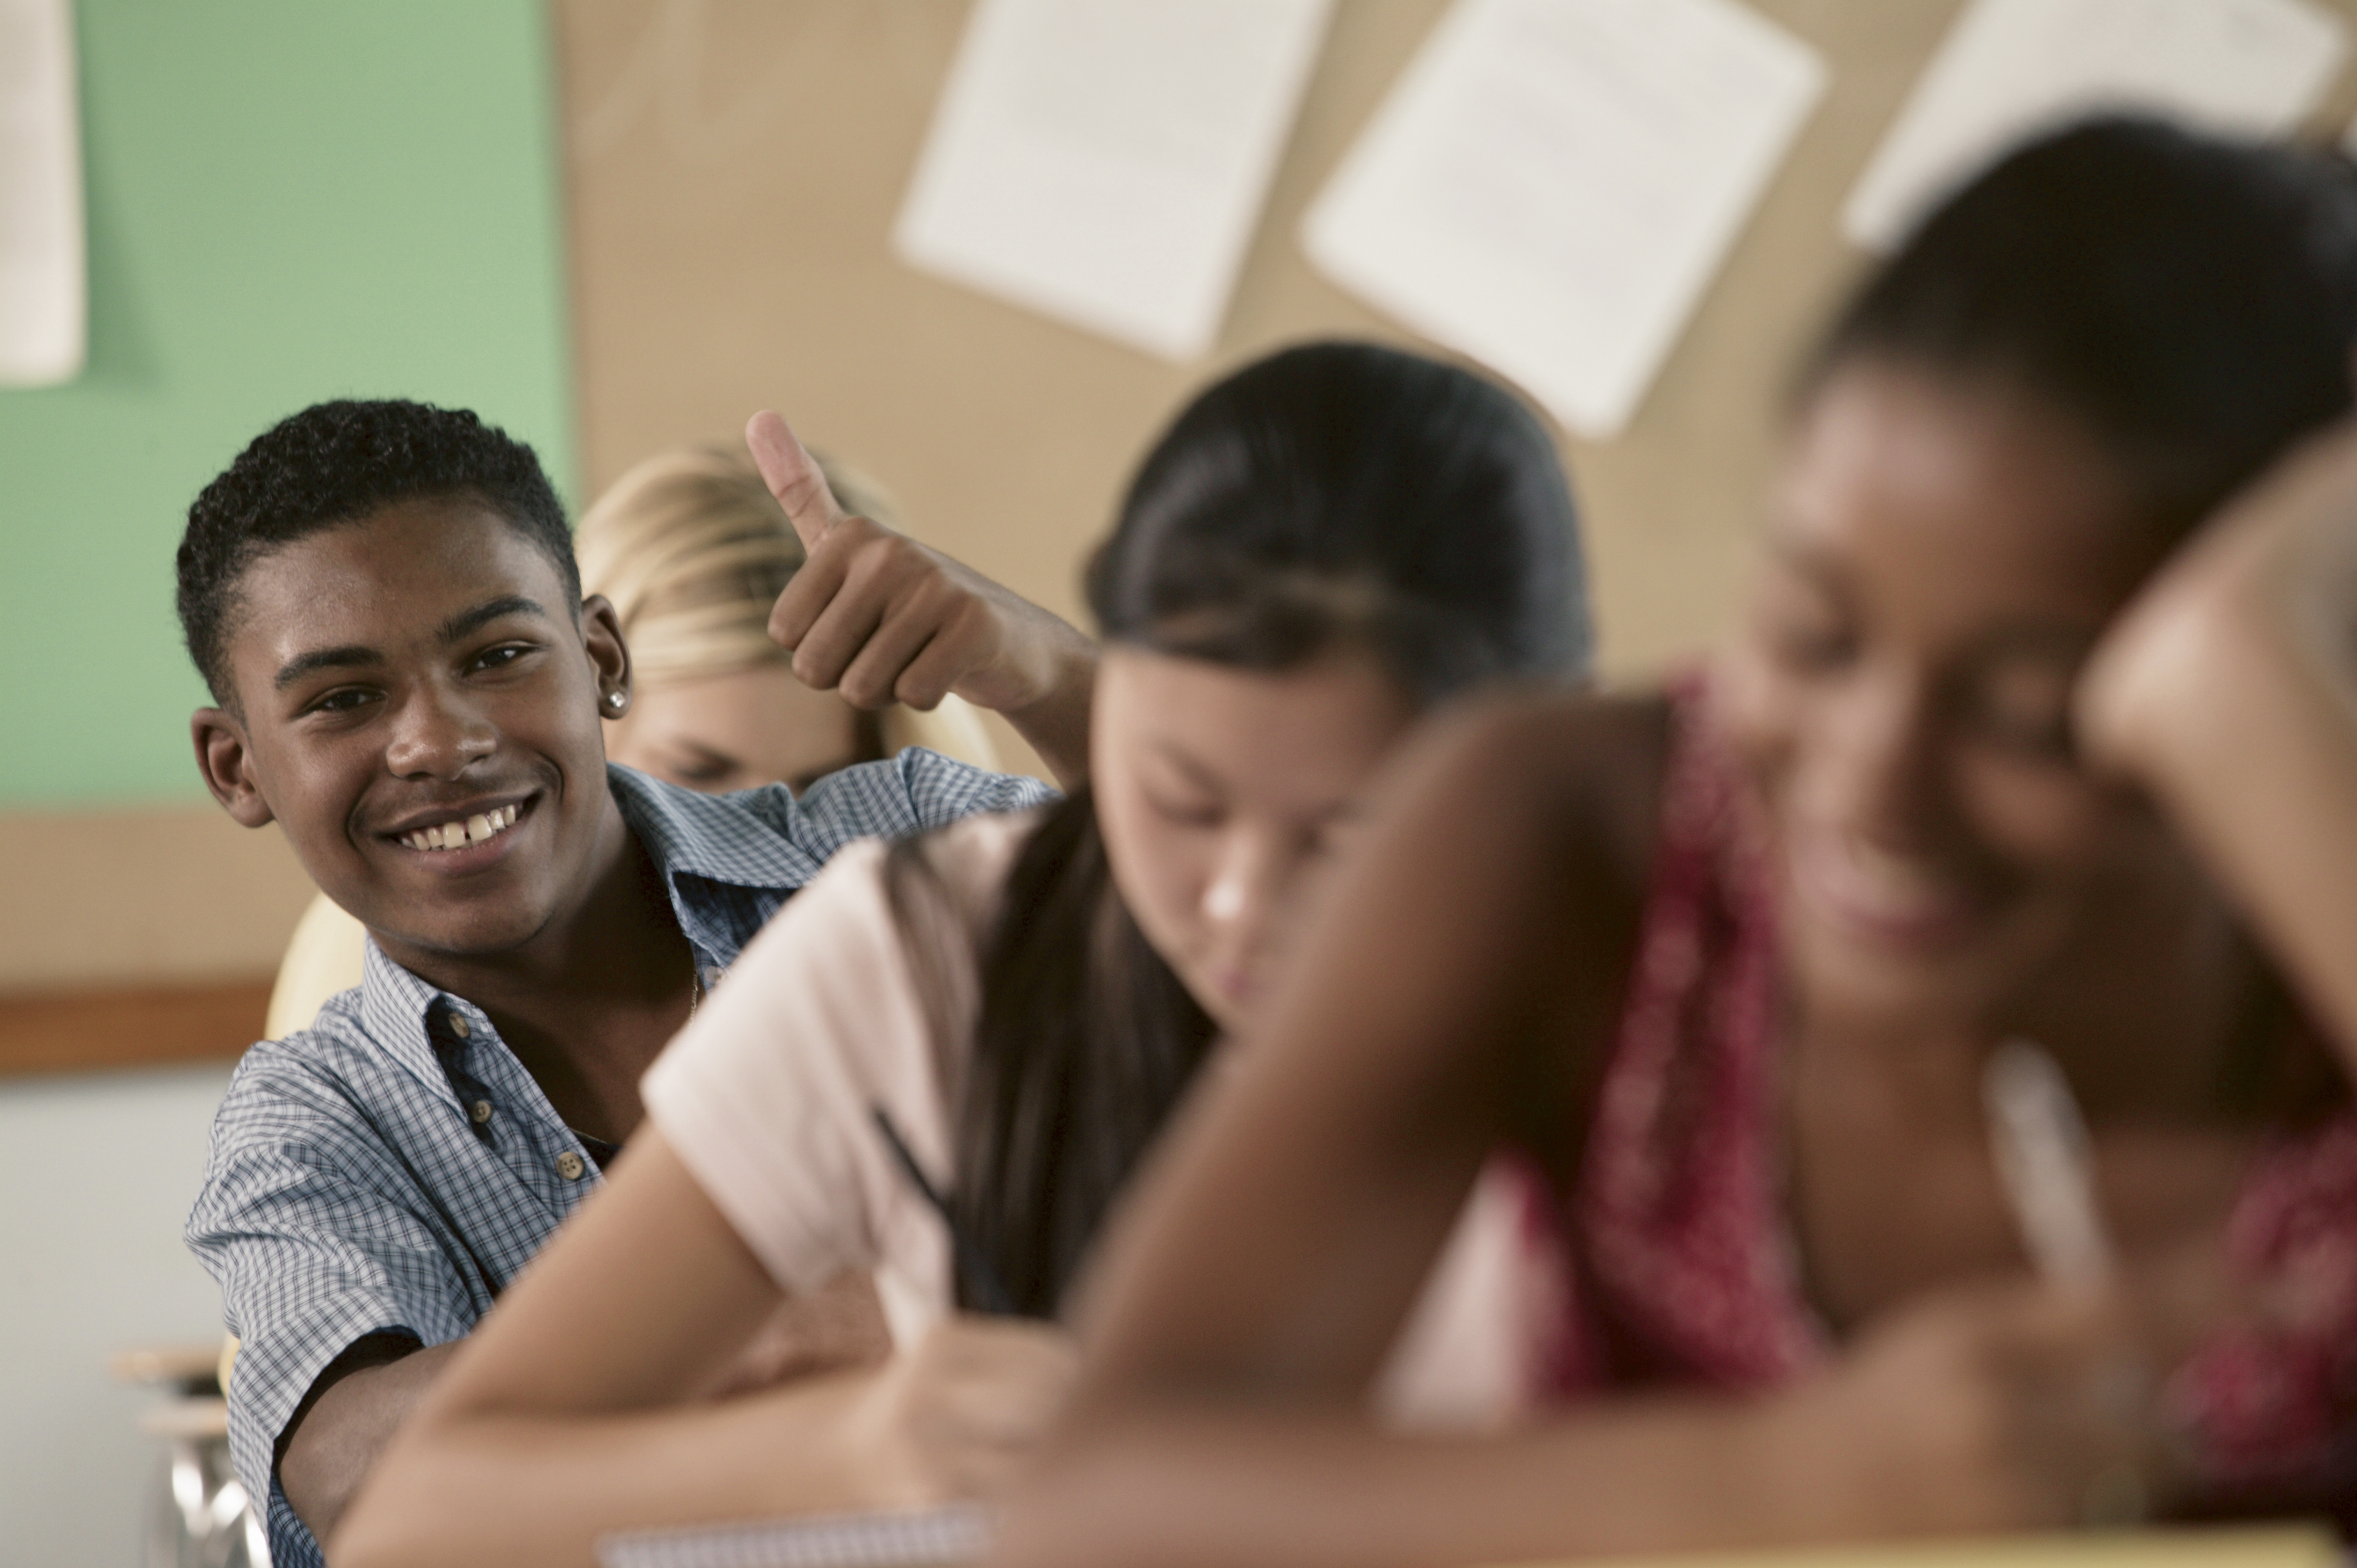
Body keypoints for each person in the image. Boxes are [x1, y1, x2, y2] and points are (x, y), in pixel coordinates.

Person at [997, 119, 2357, 1568]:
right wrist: (1794, 1481)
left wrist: (2250, 695)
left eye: (2035, 715)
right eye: (1812, 634)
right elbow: (1093, 1510)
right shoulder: (1580, 834)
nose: (1871, 786)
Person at [329, 340, 1595, 1568]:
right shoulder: (919, 950)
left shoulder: (1657, 983)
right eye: (1183, 800)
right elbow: (422, 1514)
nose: (1237, 905)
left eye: (1348, 836)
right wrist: (844, 1445)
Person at [176, 396, 1096, 1568]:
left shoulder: (887, 853)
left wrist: (1050, 671)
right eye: (343, 699)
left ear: (602, 659)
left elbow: (1247, 927)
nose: (439, 741)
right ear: (237, 764)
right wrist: (789, 1331)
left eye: (500, 655)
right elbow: (361, 1480)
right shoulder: (312, 1119)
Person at [260, 442, 1006, 1039]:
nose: (768, 842)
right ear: (592, 683)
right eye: (700, 771)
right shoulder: (370, 970)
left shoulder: (949, 896)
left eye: (830, 785)